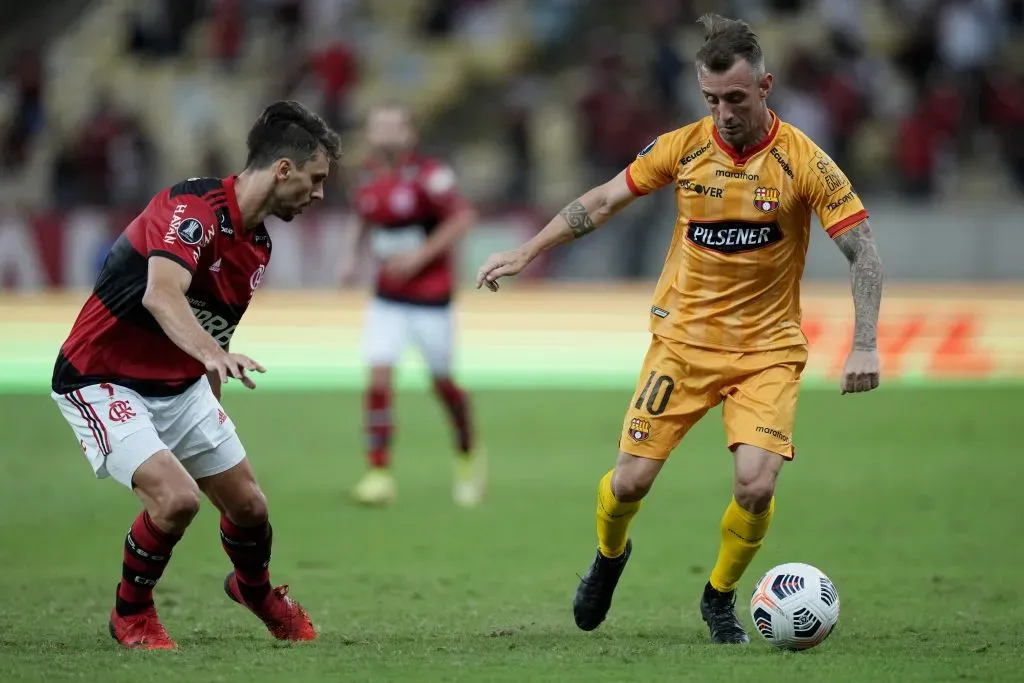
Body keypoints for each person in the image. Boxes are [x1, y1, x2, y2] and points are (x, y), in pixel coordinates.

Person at [475, 14, 884, 644]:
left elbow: (864, 251)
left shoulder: (805, 161)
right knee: (630, 482)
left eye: (736, 99)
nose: (722, 113)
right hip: (682, 345)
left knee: (755, 485)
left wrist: (863, 343)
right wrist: (528, 251)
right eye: (712, 99)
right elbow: (605, 200)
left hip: (766, 353)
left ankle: (719, 597)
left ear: (767, 86)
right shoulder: (683, 146)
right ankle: (610, 558)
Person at [50, 100, 342, 650]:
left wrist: (211, 381)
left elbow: (214, 335)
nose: (320, 194)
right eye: (317, 178)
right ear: (284, 169)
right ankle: (130, 613)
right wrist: (211, 354)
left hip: (178, 384)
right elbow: (161, 295)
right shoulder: (193, 207)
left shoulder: (257, 247)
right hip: (100, 376)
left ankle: (254, 591)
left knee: (251, 506)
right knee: (176, 500)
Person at [340, 103, 485, 508]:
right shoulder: (367, 175)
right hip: (387, 298)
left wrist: (419, 258)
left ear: (409, 134)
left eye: (393, 126)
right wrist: (350, 256)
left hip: (430, 300)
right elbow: (363, 216)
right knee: (379, 377)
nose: (384, 133)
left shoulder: (430, 176)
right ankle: (378, 472)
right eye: (378, 125)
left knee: (442, 384)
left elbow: (462, 218)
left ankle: (468, 456)